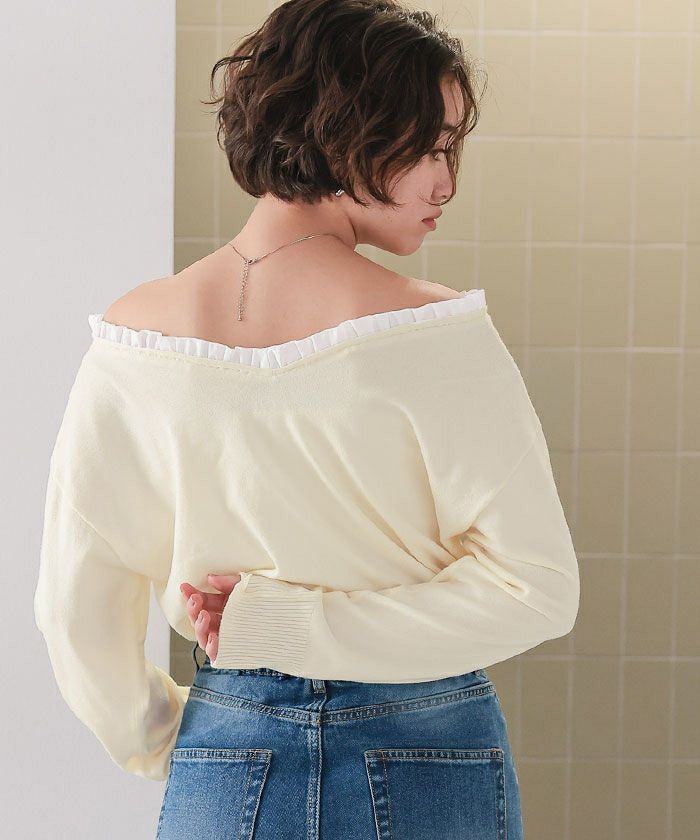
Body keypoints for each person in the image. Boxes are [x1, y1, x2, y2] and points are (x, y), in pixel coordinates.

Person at [34, 1, 580, 838]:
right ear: (347, 132)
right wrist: (306, 628)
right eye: (432, 147)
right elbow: (538, 589)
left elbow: (76, 609)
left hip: (228, 745)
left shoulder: (133, 340)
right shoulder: (433, 333)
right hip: (427, 750)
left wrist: (180, 740)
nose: (447, 183)